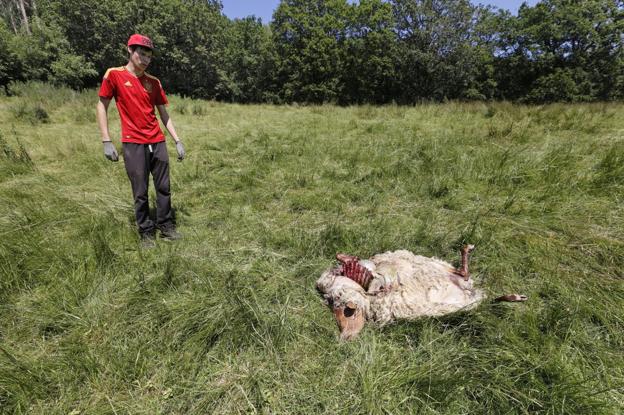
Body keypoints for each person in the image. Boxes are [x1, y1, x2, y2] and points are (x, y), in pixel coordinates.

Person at [96, 34, 185, 248]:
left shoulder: (154, 82)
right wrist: (106, 140)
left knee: (164, 187)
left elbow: (163, 113)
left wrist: (177, 140)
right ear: (130, 50)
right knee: (141, 191)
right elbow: (102, 106)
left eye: (148, 56)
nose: (145, 60)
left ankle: (166, 226)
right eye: (141, 54)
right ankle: (146, 233)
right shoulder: (114, 75)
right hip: (133, 142)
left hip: (158, 140)